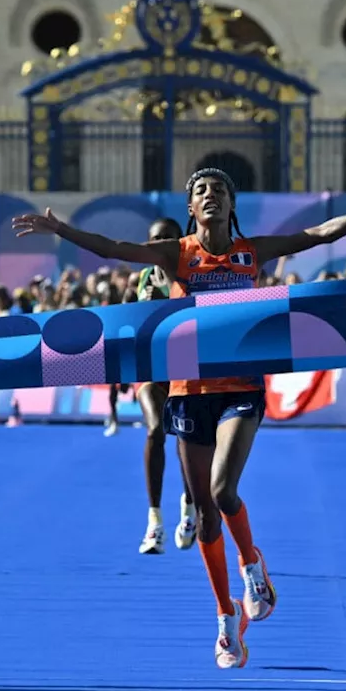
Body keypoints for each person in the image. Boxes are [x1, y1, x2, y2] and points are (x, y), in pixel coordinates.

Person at [15, 169, 346, 668]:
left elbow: (323, 233)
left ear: (231, 203)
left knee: (221, 491)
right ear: (191, 208)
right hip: (187, 392)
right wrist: (62, 231)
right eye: (200, 192)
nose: (209, 196)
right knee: (204, 513)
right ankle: (225, 616)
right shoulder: (177, 253)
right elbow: (114, 248)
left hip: (241, 388)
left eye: (218, 190)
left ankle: (252, 563)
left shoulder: (251, 252)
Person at [128, 218, 198, 555]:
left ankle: (189, 505)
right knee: (156, 430)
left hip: (183, 370)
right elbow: (123, 329)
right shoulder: (139, 280)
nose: (161, 244)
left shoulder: (193, 276)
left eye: (168, 238)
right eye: (155, 239)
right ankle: (154, 522)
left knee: (186, 439)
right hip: (149, 372)